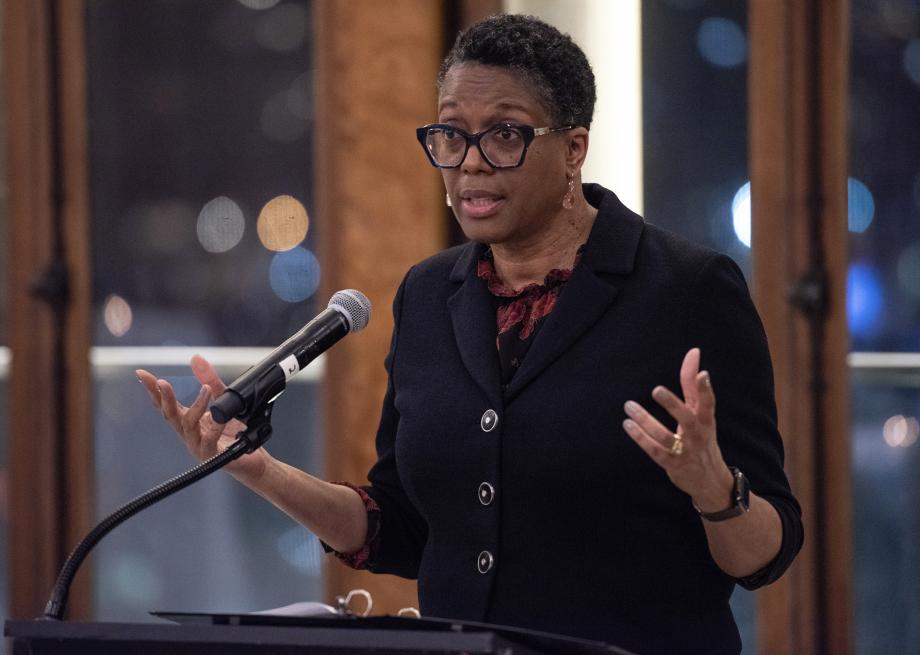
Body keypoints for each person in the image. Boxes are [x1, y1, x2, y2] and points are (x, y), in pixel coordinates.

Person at [137, 14, 802, 655]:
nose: (471, 164)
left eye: (505, 134)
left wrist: (714, 487)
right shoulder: (429, 296)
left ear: (573, 149)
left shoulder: (686, 290)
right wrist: (259, 470)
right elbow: (400, 525)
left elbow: (767, 553)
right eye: (452, 135)